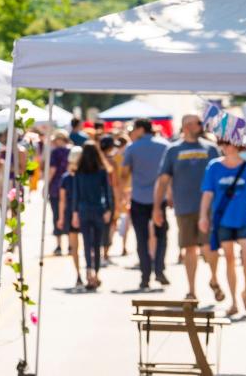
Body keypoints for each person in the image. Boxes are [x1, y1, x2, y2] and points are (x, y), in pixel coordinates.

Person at [152, 115, 223, 301]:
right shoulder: (173, 150)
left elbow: (220, 178)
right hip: (184, 207)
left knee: (209, 247)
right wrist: (157, 208)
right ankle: (192, 291)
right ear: (186, 126)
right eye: (195, 123)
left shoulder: (211, 149)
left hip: (208, 208)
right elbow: (163, 180)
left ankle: (214, 279)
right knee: (189, 249)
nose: (199, 126)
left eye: (200, 123)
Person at [199, 139, 246, 317]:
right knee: (229, 258)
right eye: (224, 144)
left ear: (238, 146)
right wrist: (203, 216)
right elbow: (207, 194)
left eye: (229, 144)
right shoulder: (214, 167)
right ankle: (234, 301)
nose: (226, 148)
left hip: (244, 217)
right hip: (223, 219)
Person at [124, 119, 171, 290]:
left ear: (141, 129)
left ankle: (145, 276)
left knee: (141, 238)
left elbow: (125, 172)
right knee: (162, 235)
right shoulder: (165, 145)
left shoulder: (133, 147)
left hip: (138, 197)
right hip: (160, 198)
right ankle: (159, 268)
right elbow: (170, 174)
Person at [71, 142, 113, 290]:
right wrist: (109, 209)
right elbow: (107, 192)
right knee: (97, 244)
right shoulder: (102, 171)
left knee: (87, 243)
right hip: (98, 209)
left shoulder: (78, 172)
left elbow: (75, 194)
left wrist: (75, 213)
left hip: (83, 209)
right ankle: (96, 272)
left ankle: (89, 270)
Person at [57, 145, 84, 287]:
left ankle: (79, 274)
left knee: (75, 247)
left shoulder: (66, 178)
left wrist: (61, 217)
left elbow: (62, 200)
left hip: (71, 214)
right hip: (81, 213)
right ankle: (83, 273)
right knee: (80, 246)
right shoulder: (82, 177)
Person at [48, 130, 71, 256]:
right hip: (70, 187)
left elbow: (52, 169)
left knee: (56, 215)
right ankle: (70, 244)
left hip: (56, 187)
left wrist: (46, 185)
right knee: (69, 214)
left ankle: (59, 245)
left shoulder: (55, 152)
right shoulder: (72, 150)